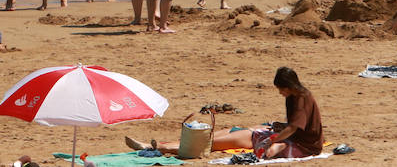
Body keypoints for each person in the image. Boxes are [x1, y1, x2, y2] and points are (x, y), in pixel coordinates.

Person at [133, 67, 322, 160]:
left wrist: (273, 138)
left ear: (289, 86)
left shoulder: (300, 98)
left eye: (282, 89)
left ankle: (160, 148)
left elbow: (294, 127)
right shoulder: (295, 96)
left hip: (301, 144)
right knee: (227, 132)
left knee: (216, 142)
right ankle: (163, 144)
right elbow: (295, 126)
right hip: (294, 138)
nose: (281, 93)